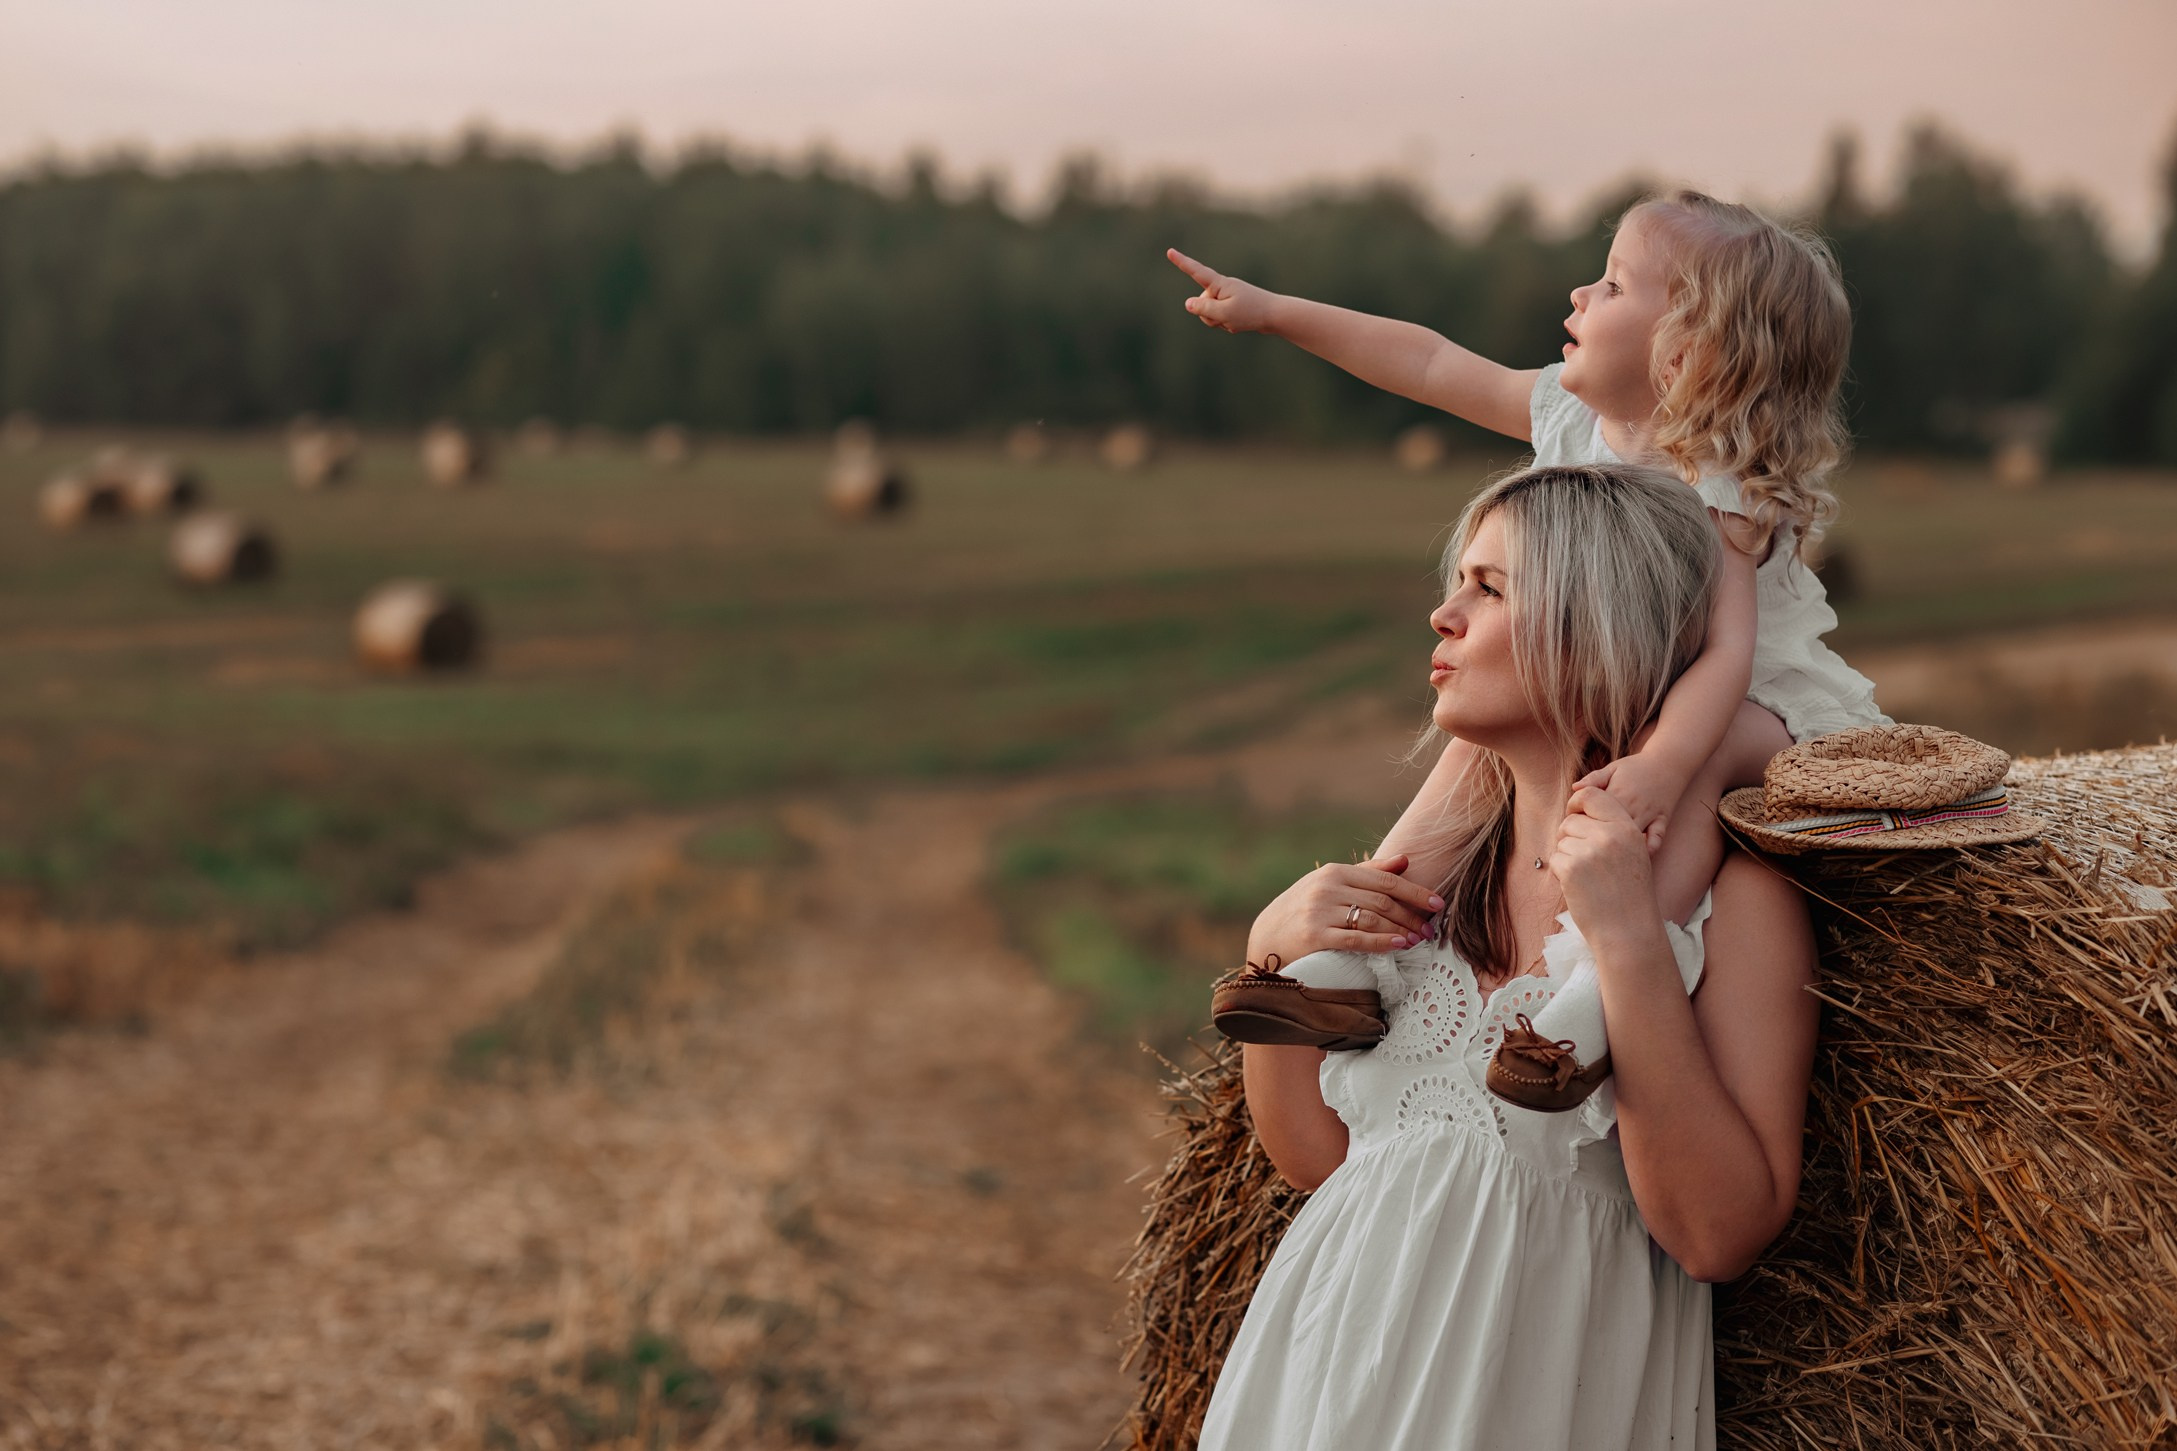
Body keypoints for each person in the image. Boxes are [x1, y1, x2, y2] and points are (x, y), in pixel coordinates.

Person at [1177, 191, 1879, 1109]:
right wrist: (1274, 312)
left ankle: (1587, 1001)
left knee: (1704, 762)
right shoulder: (1570, 424)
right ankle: (1351, 963)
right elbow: (1428, 360)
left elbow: (1725, 656)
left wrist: (1661, 769)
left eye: (1614, 283)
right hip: (1605, 682)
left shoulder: (1710, 470)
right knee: (1478, 745)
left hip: (1743, 708)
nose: (1580, 293)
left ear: (1688, 348)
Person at [1195, 462, 1820, 1450]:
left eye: (1487, 588)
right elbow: (1320, 1162)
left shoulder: (1733, 904)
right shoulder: (1434, 887)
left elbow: (1716, 1232)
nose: (1442, 615)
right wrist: (1268, 954)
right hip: (1322, 1378)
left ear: (1594, 623)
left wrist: (1623, 944)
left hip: (1535, 1399)